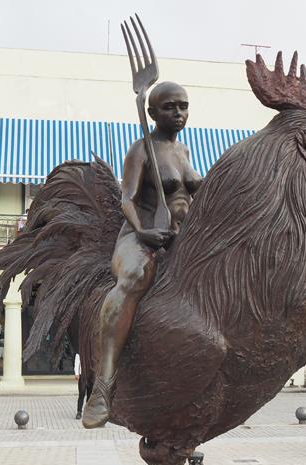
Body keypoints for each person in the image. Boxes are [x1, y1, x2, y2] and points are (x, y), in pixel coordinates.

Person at [82, 82, 202, 428]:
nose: (178, 113)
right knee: (134, 278)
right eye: (169, 107)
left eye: (183, 106)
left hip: (178, 234)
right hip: (140, 236)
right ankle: (103, 385)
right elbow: (127, 199)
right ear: (152, 113)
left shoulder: (185, 151)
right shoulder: (140, 150)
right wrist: (142, 231)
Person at [74, 353, 92, 420]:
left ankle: (88, 412)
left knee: (90, 395)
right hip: (82, 376)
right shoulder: (79, 352)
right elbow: (77, 363)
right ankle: (79, 412)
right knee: (82, 393)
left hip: (91, 375)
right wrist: (76, 373)